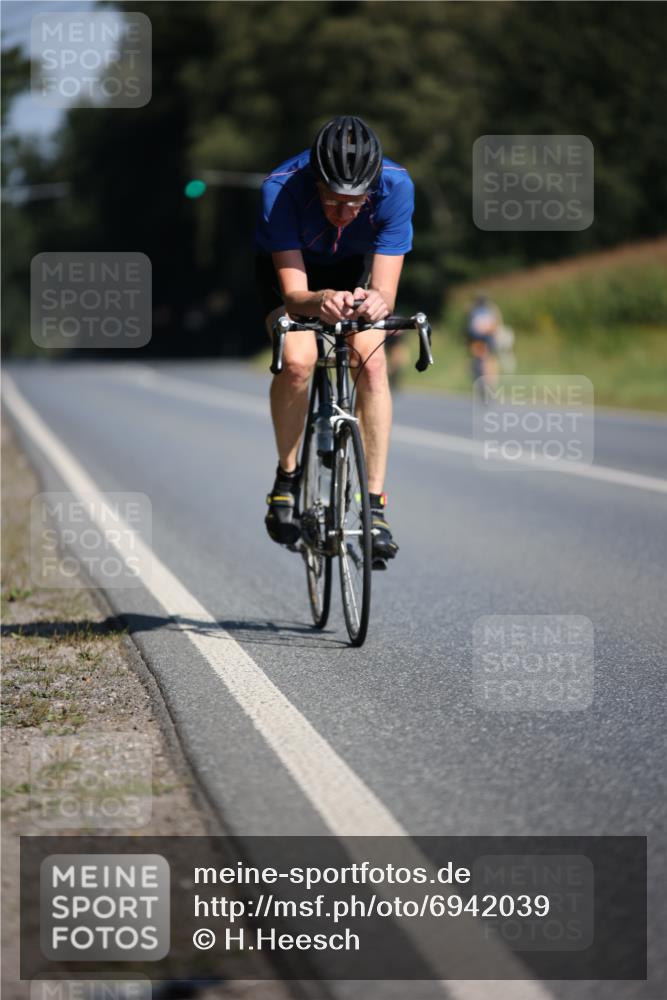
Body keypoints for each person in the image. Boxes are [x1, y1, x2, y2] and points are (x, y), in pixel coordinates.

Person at [254, 115, 415, 565]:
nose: (343, 212)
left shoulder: (396, 187)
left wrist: (376, 303)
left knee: (373, 359)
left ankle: (375, 508)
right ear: (315, 182)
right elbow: (293, 294)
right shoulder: (281, 188)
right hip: (295, 276)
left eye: (355, 202)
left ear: (373, 189)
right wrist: (319, 299)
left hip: (353, 273)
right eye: (331, 200)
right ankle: (287, 480)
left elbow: (384, 289)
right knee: (299, 360)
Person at [465, 292, 502, 392]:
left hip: (477, 339)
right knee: (489, 359)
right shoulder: (491, 310)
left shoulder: (473, 311)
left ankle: (481, 378)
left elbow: (469, 329)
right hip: (487, 339)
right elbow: (496, 326)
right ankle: (490, 381)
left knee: (476, 359)